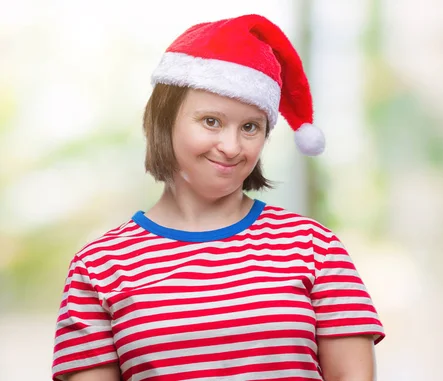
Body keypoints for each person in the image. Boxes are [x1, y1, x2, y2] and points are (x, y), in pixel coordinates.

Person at [51, 14, 385, 381]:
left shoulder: (314, 248)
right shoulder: (98, 267)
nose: (231, 147)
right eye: (211, 121)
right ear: (162, 120)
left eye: (250, 127)